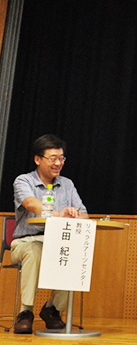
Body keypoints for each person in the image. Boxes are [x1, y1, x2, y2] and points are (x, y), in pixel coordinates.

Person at [11, 134, 89, 334]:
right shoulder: (23, 180)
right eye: (53, 158)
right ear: (38, 159)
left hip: (56, 241)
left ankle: (52, 309)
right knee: (34, 250)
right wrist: (58, 214)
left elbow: (84, 214)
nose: (58, 163)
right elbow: (30, 204)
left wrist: (75, 215)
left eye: (61, 158)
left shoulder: (67, 184)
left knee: (76, 253)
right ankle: (25, 311)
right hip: (26, 241)